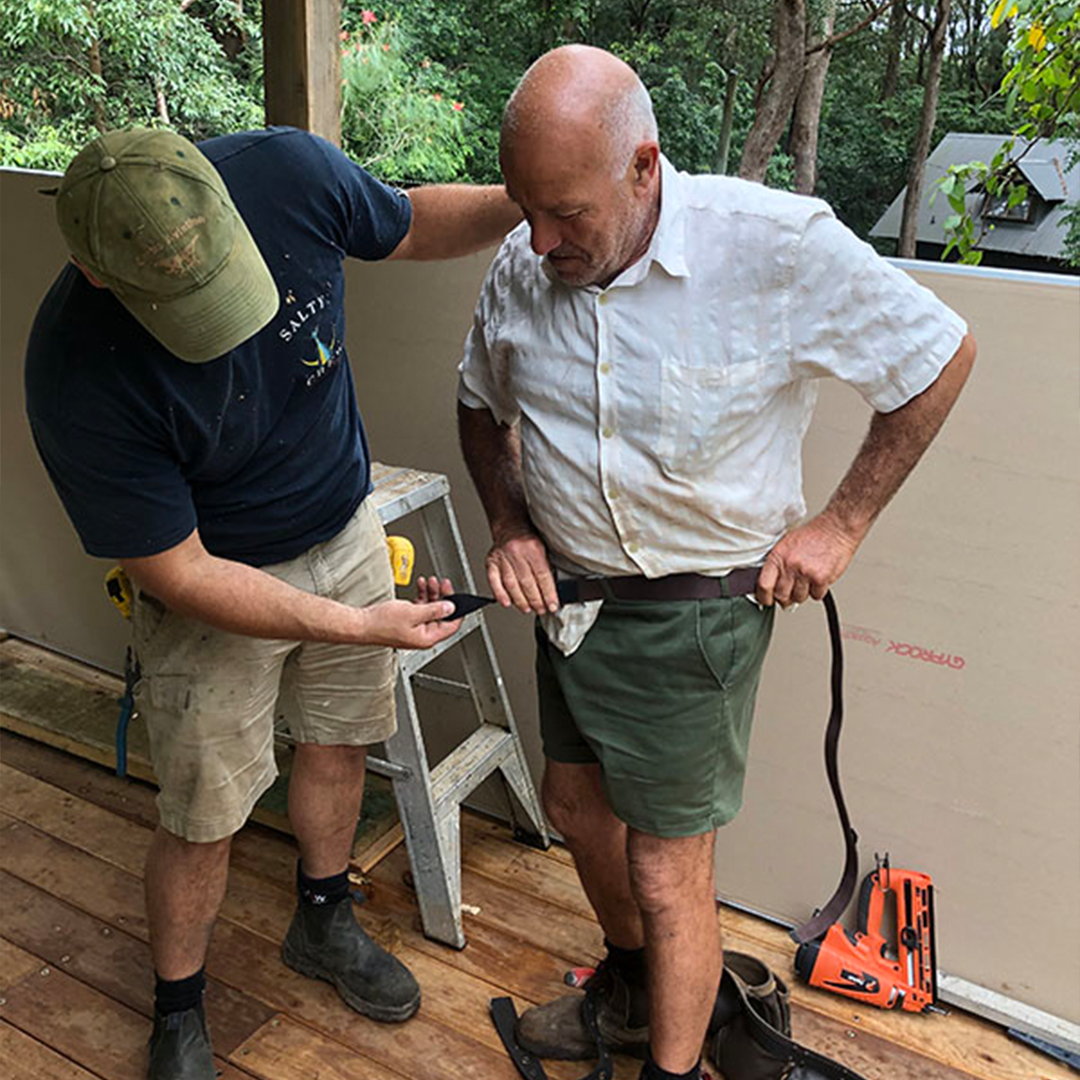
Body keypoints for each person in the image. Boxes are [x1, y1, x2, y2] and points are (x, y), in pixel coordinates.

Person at [457, 45, 975, 1080]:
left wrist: (841, 525)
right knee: (573, 812)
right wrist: (512, 526)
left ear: (644, 168)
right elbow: (480, 407)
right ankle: (632, 993)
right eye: (524, 208)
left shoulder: (772, 247)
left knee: (664, 864)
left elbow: (936, 356)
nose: (539, 239)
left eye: (566, 212)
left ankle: (673, 1072)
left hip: (698, 616)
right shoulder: (525, 259)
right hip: (569, 601)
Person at [25, 124, 521, 1080]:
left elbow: (409, 222)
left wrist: (531, 200)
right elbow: (178, 572)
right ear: (94, 272)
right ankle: (179, 1010)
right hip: (213, 589)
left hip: (342, 525)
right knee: (202, 813)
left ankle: (324, 917)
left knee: (340, 742)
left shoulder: (291, 174)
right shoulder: (75, 375)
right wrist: (359, 625)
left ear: (220, 193)